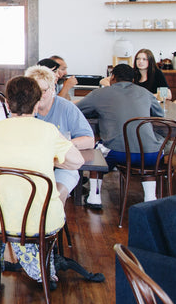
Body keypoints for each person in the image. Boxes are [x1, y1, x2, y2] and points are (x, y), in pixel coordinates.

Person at [0, 76, 83, 282]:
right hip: (38, 221)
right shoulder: (48, 131)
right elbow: (77, 161)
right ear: (36, 104)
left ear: (7, 103)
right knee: (44, 206)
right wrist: (50, 157)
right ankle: (40, 269)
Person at [76, 63, 165, 207]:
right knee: (148, 150)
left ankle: (94, 197)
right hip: (151, 154)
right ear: (133, 80)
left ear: (113, 77)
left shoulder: (100, 94)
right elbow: (159, 115)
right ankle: (150, 198)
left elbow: (77, 111)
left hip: (117, 153)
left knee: (94, 151)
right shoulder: (146, 93)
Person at [24, 65, 94, 200]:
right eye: (34, 91)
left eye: (43, 91)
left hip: (63, 165)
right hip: (33, 165)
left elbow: (89, 140)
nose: (38, 96)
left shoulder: (66, 108)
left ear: (52, 89)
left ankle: (57, 220)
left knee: (55, 195)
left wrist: (61, 145)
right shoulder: (24, 109)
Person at [100, 49, 168, 94]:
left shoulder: (157, 73)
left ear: (150, 61)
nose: (140, 61)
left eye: (144, 59)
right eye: (138, 59)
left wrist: (151, 97)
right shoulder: (131, 72)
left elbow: (167, 94)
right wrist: (114, 89)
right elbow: (103, 81)